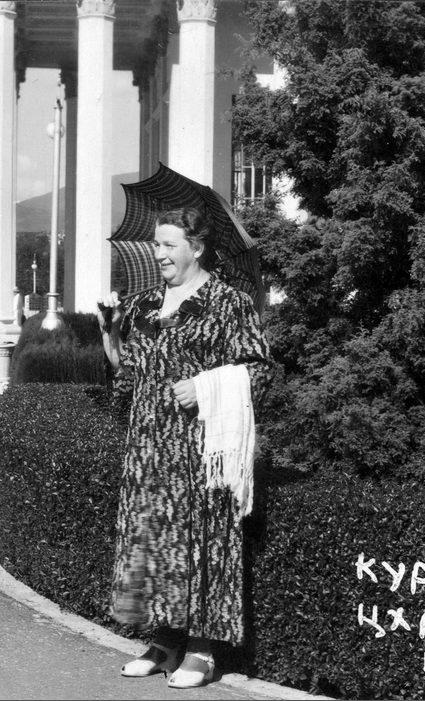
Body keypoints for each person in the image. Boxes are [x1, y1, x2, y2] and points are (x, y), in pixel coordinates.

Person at [95, 207, 273, 689]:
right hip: (149, 447)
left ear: (197, 248)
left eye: (169, 245)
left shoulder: (229, 303)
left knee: (202, 544)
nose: (159, 254)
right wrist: (112, 332)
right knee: (155, 542)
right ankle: (164, 642)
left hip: (200, 449)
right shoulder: (145, 303)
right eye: (157, 244)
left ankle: (202, 650)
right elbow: (127, 377)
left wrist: (205, 387)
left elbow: (261, 370)